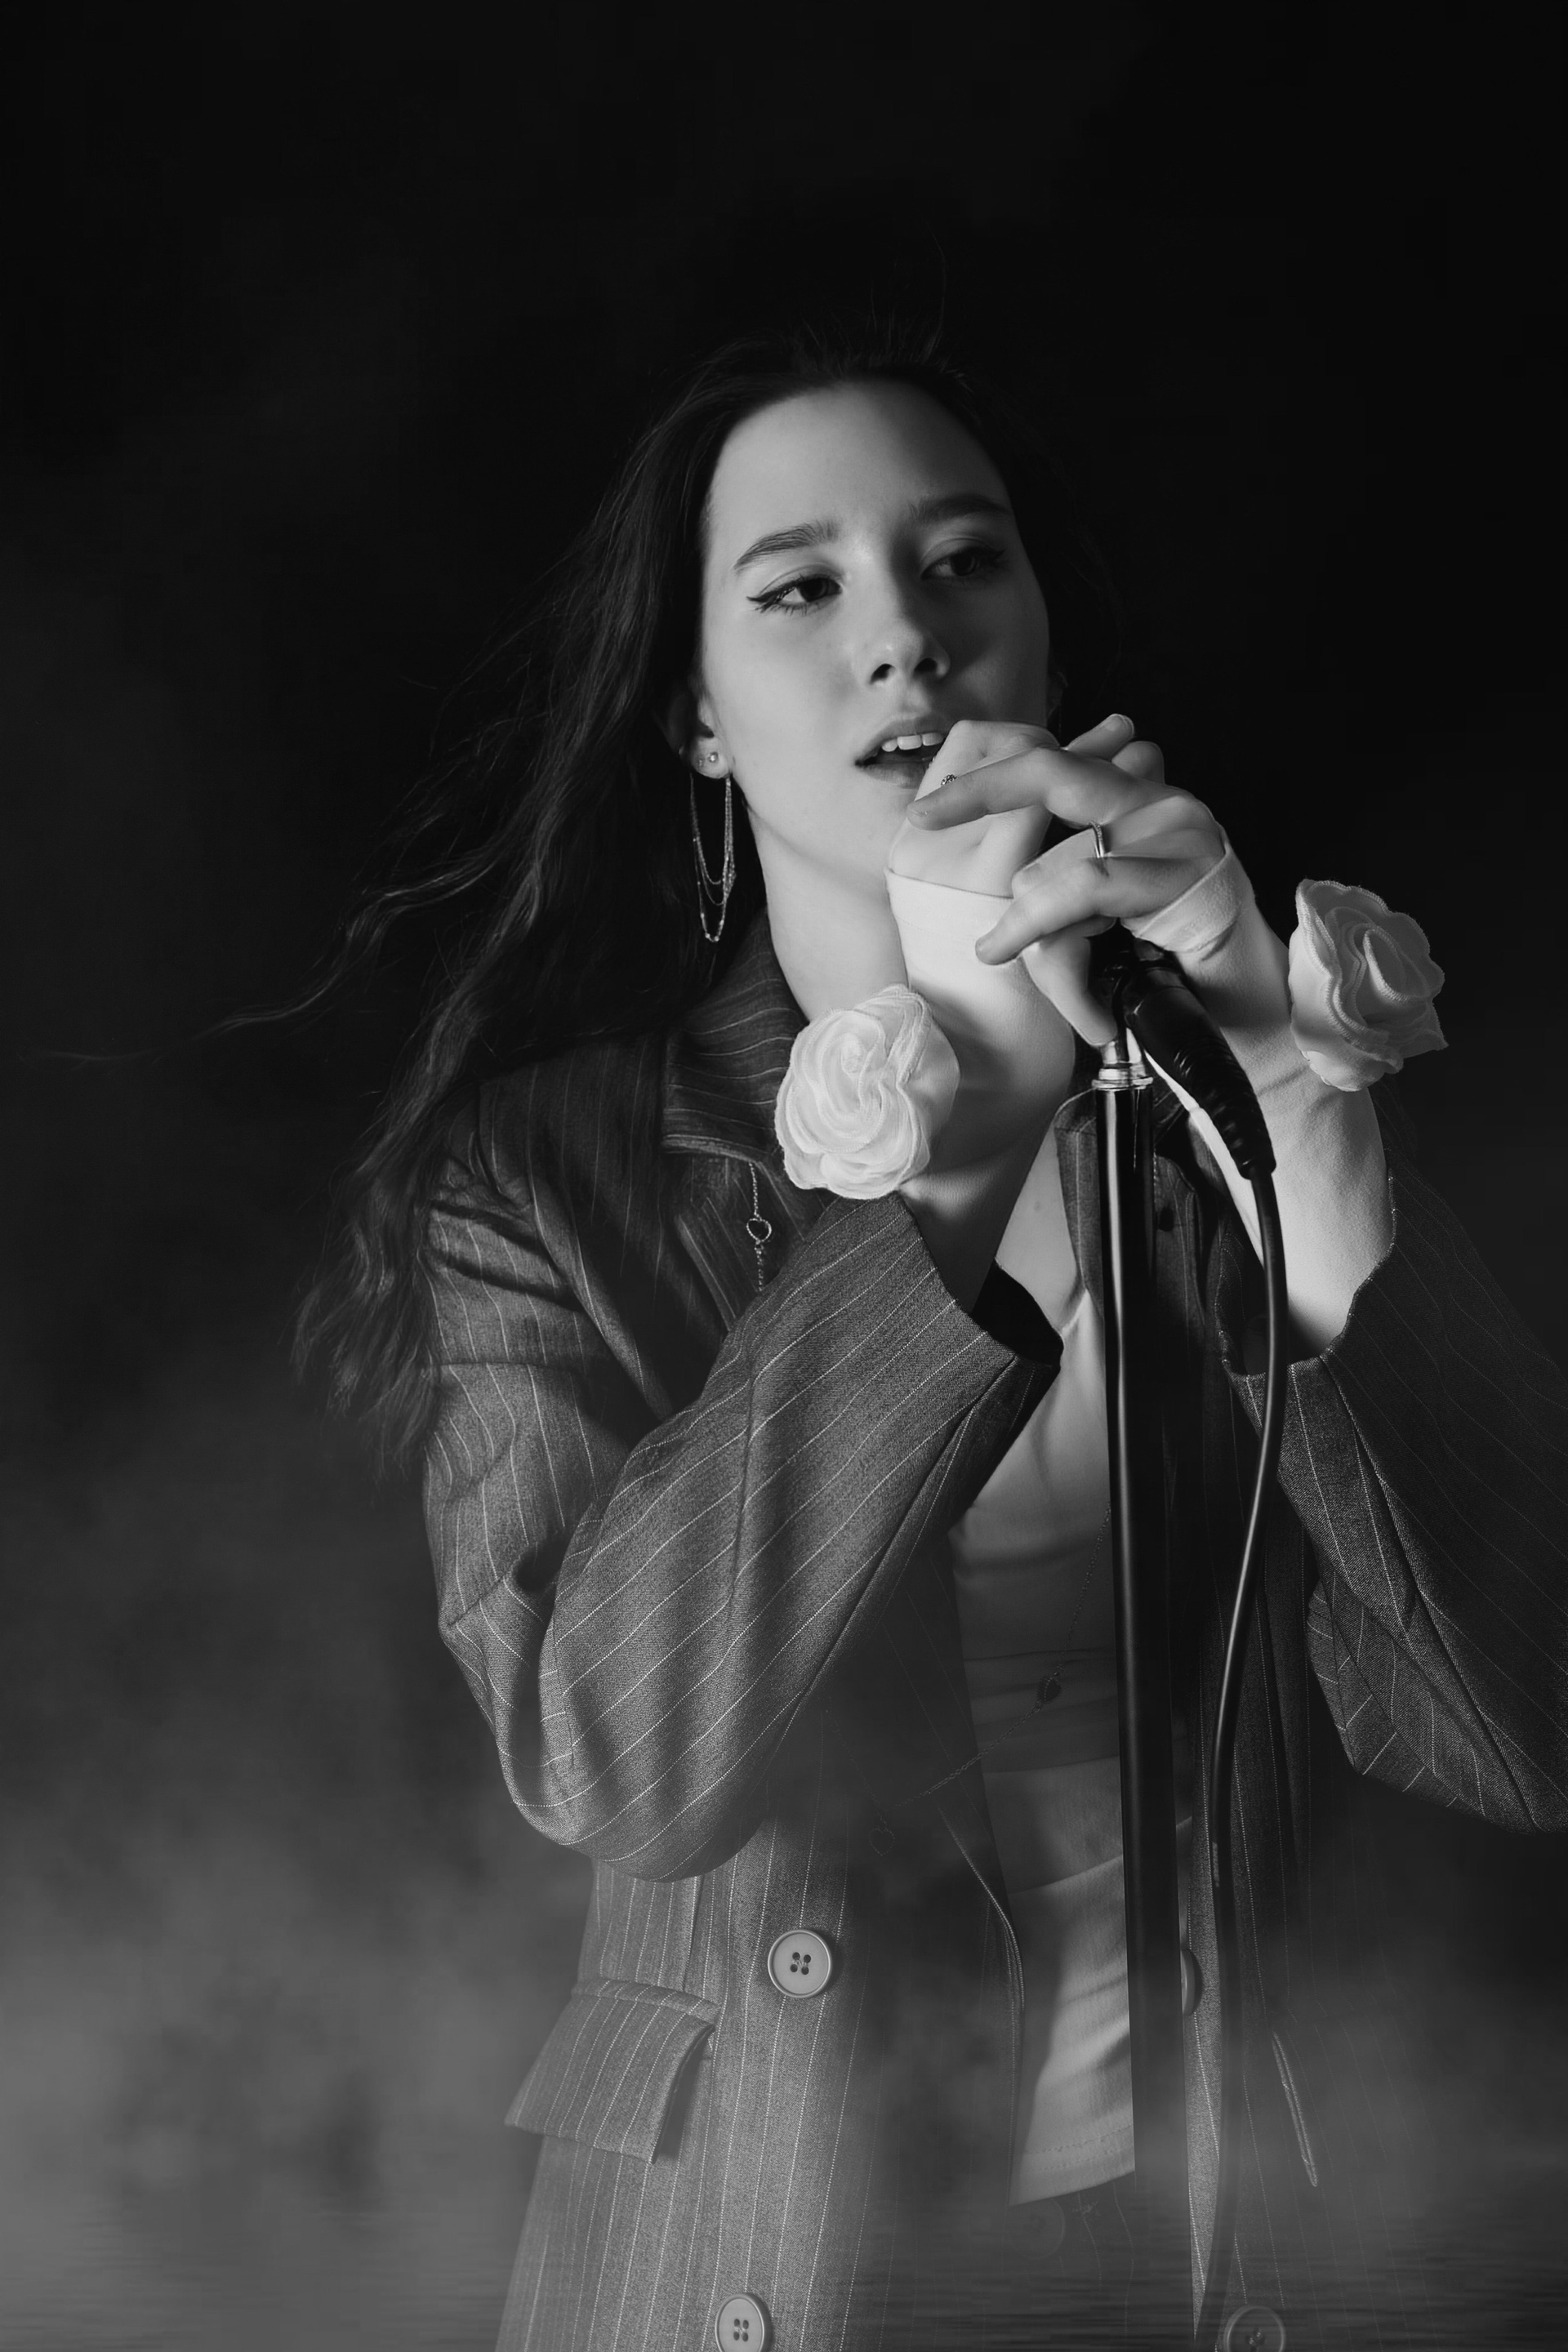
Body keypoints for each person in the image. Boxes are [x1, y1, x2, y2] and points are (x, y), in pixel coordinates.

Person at [305, 324, 1568, 2351]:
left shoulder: (1215, 1096)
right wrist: (964, 1141)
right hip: (754, 2260)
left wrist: (1279, 1076)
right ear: (694, 714)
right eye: (799, 588)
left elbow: (1531, 1724)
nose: (906, 635)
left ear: (1044, 635)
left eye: (964, 560)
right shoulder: (542, 1176)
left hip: (1212, 2264)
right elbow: (617, 1754)